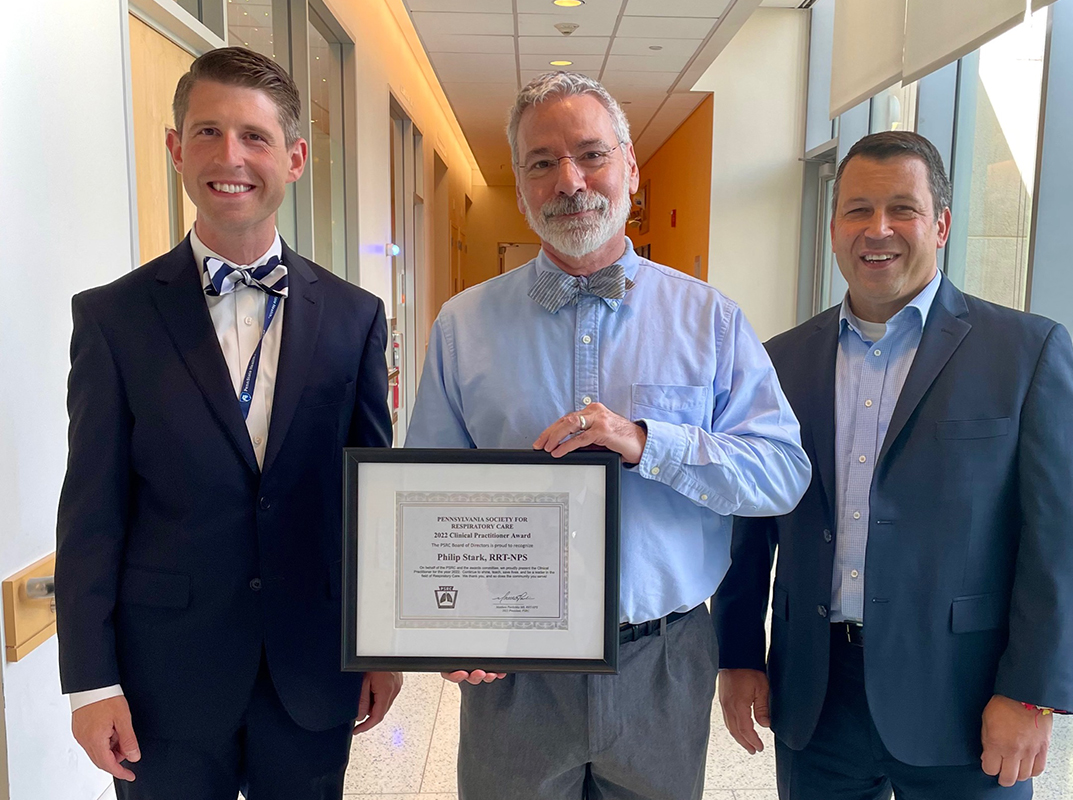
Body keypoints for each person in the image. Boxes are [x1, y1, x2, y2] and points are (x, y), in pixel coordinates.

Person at [405, 71, 811, 800]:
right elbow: (425, 494)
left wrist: (651, 442)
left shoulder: (711, 322)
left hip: (663, 658)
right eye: (541, 162)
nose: (570, 181)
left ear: (629, 168)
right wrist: (445, 627)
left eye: (591, 154)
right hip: (512, 669)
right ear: (522, 183)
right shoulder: (462, 327)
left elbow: (782, 472)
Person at [55, 47, 401, 800]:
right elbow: (91, 512)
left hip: (310, 673)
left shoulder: (354, 318)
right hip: (162, 685)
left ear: (296, 157)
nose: (230, 156)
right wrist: (89, 683)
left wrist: (384, 648)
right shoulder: (113, 319)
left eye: (254, 136)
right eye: (207, 132)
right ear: (177, 149)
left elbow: (369, 503)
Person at [712, 131, 1073, 800]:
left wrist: (1032, 693)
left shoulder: (1025, 353)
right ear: (834, 228)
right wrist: (739, 653)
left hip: (967, 699)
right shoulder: (779, 361)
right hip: (816, 695)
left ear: (941, 224)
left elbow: (1061, 543)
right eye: (858, 209)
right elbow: (750, 520)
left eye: (903, 209)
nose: (878, 229)